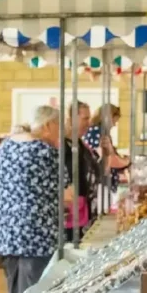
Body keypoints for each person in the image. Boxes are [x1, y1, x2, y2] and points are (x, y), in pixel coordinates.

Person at [0, 105, 73, 293]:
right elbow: (67, 195)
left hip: (6, 233)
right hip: (36, 236)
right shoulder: (46, 152)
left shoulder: (5, 146)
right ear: (48, 125)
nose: (62, 136)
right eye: (60, 129)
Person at [64, 101, 99, 238]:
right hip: (69, 212)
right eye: (85, 119)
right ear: (72, 119)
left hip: (83, 209)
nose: (89, 123)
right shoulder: (61, 145)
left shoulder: (79, 143)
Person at [83, 104, 130, 200]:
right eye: (114, 120)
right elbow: (109, 159)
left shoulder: (97, 131)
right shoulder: (98, 133)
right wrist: (127, 162)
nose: (114, 124)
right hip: (101, 184)